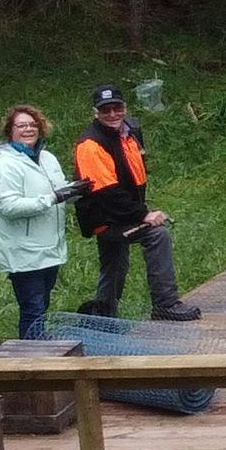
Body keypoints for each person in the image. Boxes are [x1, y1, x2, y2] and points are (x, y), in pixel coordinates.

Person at [71, 86, 200, 322]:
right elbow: (106, 193)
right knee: (156, 234)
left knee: (114, 264)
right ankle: (165, 303)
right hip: (106, 217)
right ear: (95, 112)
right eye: (105, 110)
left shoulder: (129, 132)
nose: (112, 114)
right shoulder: (91, 145)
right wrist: (143, 214)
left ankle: (103, 315)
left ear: (125, 108)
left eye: (116, 108)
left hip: (122, 212)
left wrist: (137, 211)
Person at [0, 103, 72, 342]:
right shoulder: (3, 165)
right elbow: (8, 206)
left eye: (33, 124)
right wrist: (51, 199)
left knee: (42, 306)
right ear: (10, 131)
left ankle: (40, 351)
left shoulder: (47, 158)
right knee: (32, 310)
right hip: (23, 253)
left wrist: (75, 191)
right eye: (21, 125)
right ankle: (30, 361)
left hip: (50, 247)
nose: (28, 129)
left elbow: (60, 189)